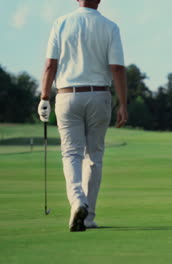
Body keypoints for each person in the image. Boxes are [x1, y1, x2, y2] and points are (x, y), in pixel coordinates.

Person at [37, 0, 128, 232]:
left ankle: (78, 201)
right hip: (99, 95)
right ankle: (88, 217)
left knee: (71, 154)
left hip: (67, 96)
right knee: (93, 156)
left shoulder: (61, 23)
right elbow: (117, 68)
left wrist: (44, 97)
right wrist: (123, 104)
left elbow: (50, 65)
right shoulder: (110, 27)